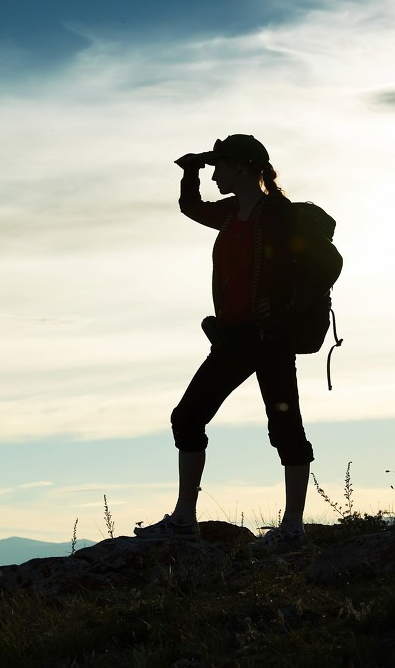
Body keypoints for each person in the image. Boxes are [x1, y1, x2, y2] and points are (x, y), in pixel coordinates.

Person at [134, 134, 317, 549]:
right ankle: (184, 518)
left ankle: (292, 527)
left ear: (242, 168)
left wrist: (286, 307)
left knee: (285, 425)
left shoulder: (278, 215)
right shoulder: (233, 212)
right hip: (234, 337)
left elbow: (324, 265)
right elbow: (190, 207)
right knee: (188, 417)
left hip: (269, 338)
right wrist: (191, 170)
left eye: (220, 166)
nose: (215, 174)